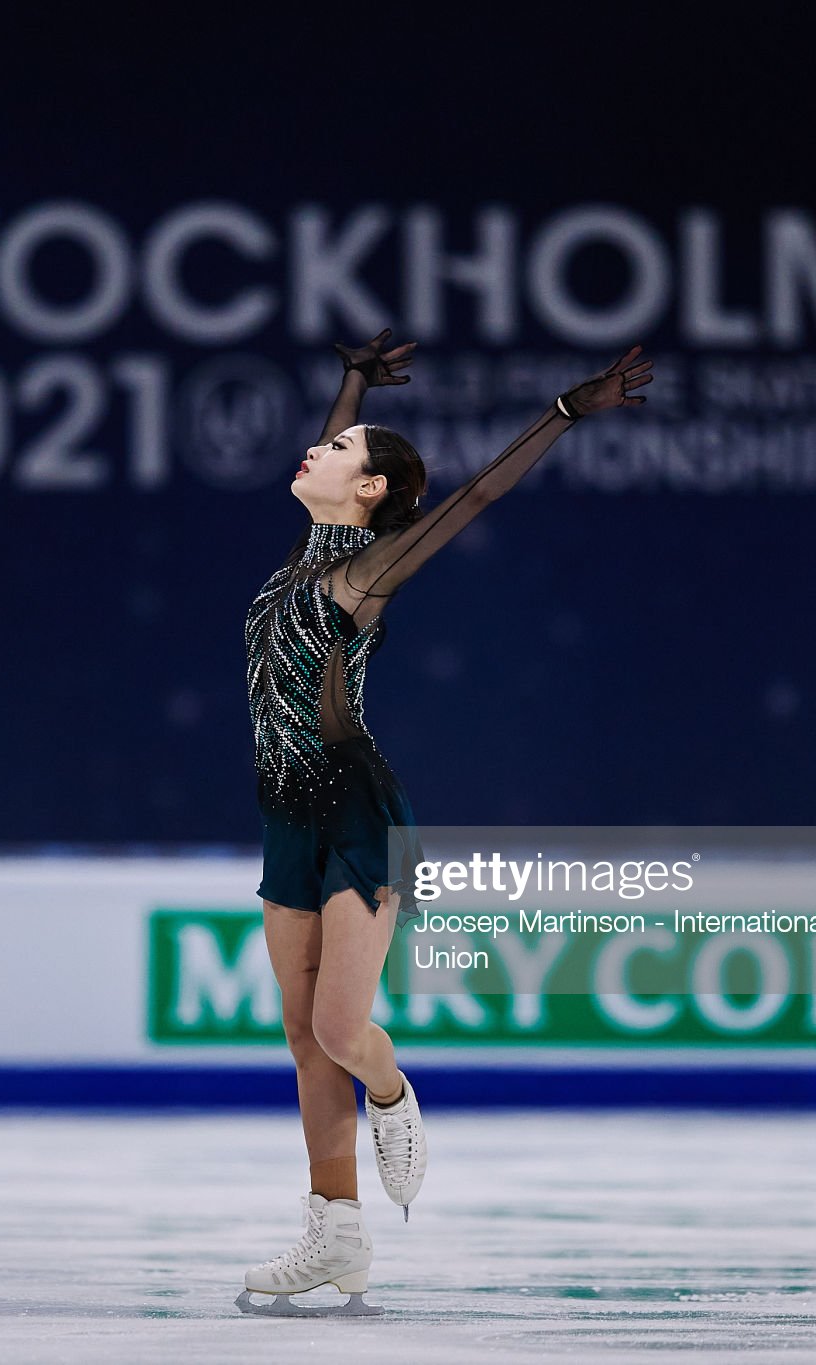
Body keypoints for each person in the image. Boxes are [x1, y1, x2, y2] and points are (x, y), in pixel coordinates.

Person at [235, 330, 652, 1317]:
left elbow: (471, 500)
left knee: (339, 1029)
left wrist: (562, 412)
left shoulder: (359, 577)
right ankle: (336, 1232)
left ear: (371, 491)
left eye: (340, 449)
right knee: (301, 1036)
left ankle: (391, 1094)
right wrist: (351, 383)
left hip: (354, 808)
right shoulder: (302, 560)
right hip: (283, 812)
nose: (318, 447)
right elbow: (337, 465)